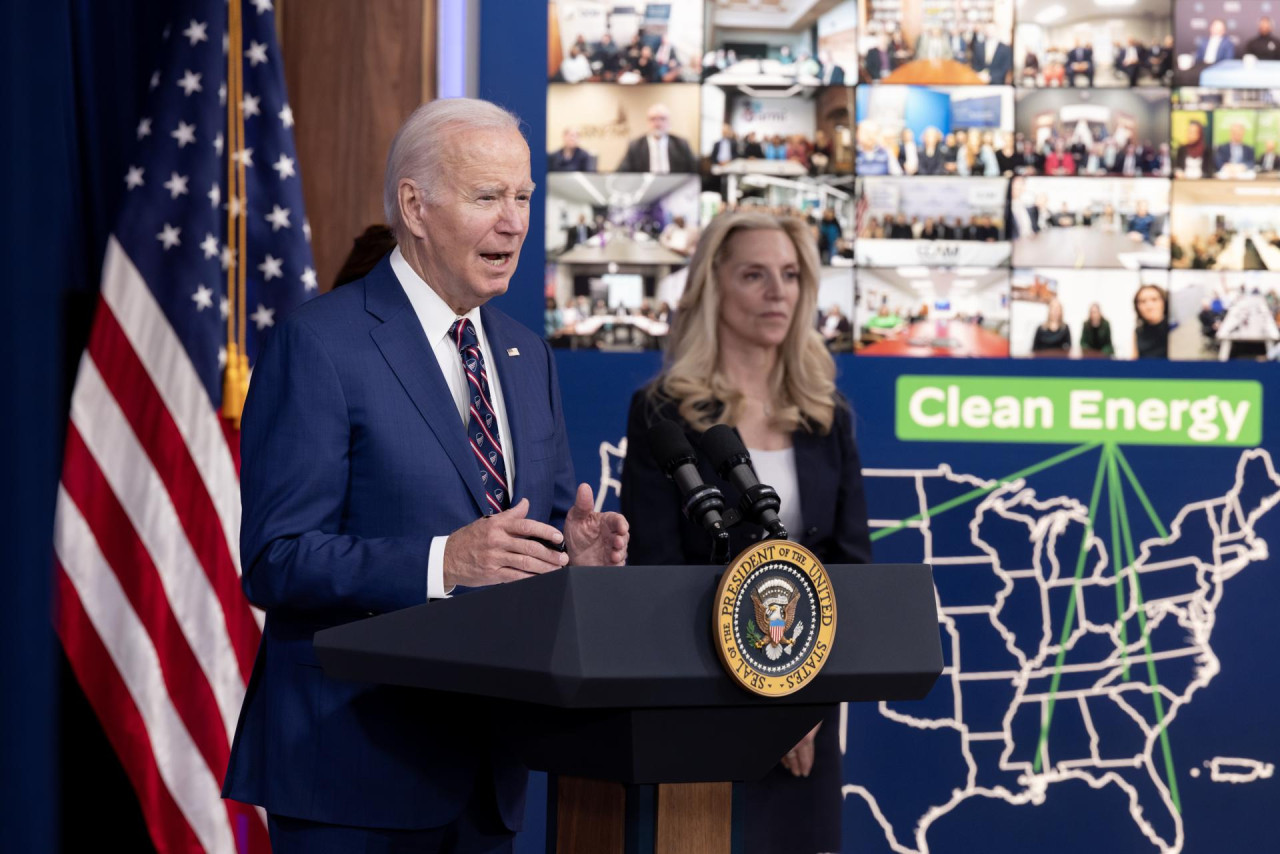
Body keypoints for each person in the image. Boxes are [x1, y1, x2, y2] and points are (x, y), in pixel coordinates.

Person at [221, 98, 630, 853]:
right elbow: (276, 559)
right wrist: (446, 560)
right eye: (487, 197)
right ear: (415, 205)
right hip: (351, 770)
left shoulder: (524, 354)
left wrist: (571, 559)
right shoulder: (321, 344)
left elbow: (524, 539)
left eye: (523, 198)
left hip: (486, 768)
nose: (513, 223)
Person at [619, 211, 871, 854]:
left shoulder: (825, 414)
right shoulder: (662, 412)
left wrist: (801, 710)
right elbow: (655, 573)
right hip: (701, 712)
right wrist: (753, 709)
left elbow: (850, 567)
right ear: (713, 287)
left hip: (807, 722)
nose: (777, 292)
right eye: (755, 275)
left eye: (789, 276)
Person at [616, 103, 698, 173]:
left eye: (662, 119)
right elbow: (621, 172)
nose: (658, 123)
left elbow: (694, 171)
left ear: (669, 122)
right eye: (653, 119)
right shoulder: (635, 146)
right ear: (647, 122)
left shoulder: (681, 144)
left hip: (675, 189)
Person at [1134, 284, 1169, 358]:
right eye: (1143, 302)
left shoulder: (1174, 329)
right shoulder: (1138, 331)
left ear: (1164, 302)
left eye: (1154, 299)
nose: (1149, 306)